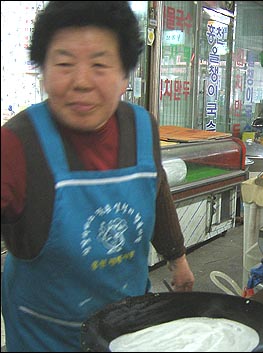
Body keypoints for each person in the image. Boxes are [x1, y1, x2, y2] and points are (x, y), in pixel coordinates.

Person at [1, 2, 194, 351]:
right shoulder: (18, 143)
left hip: (128, 330)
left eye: (100, 65)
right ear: (42, 72)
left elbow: (157, 189)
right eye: (64, 64)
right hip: (46, 337)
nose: (82, 82)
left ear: (125, 75)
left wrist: (177, 258)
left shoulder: (142, 127)